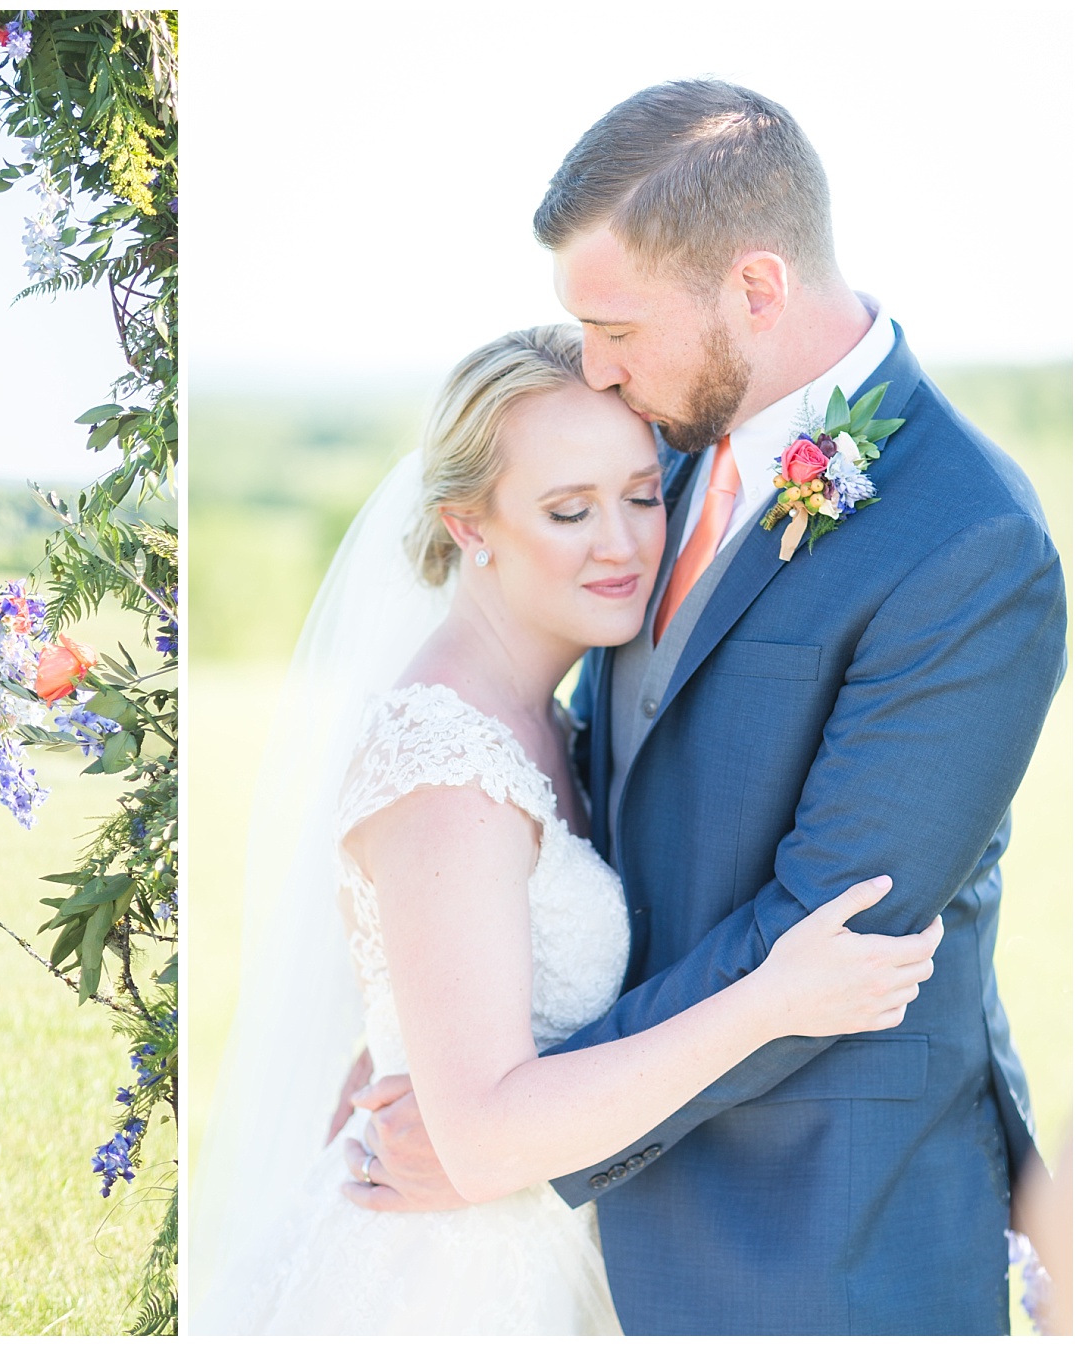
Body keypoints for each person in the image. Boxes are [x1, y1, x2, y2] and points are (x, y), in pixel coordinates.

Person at [343, 81, 1066, 1334]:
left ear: (757, 290)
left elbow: (839, 928)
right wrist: (448, 1022)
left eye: (614, 326)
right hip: (589, 1225)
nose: (595, 364)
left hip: (819, 1246)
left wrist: (499, 1128)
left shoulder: (971, 544)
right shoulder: (652, 446)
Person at [191, 326, 944, 1334]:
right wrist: (774, 999)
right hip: (442, 1284)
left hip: (544, 1252)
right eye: (566, 510)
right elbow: (489, 1137)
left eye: (640, 495)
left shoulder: (554, 709)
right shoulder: (446, 769)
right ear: (470, 525)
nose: (623, 544)